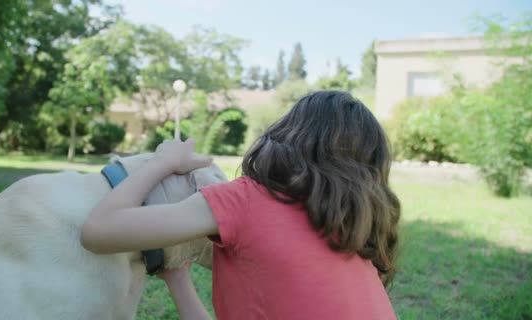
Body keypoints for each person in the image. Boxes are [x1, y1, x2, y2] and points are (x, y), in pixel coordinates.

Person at [80, 90, 401, 320]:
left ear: (287, 135)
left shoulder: (247, 200)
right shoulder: (353, 236)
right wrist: (177, 279)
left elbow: (98, 231)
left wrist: (163, 162)